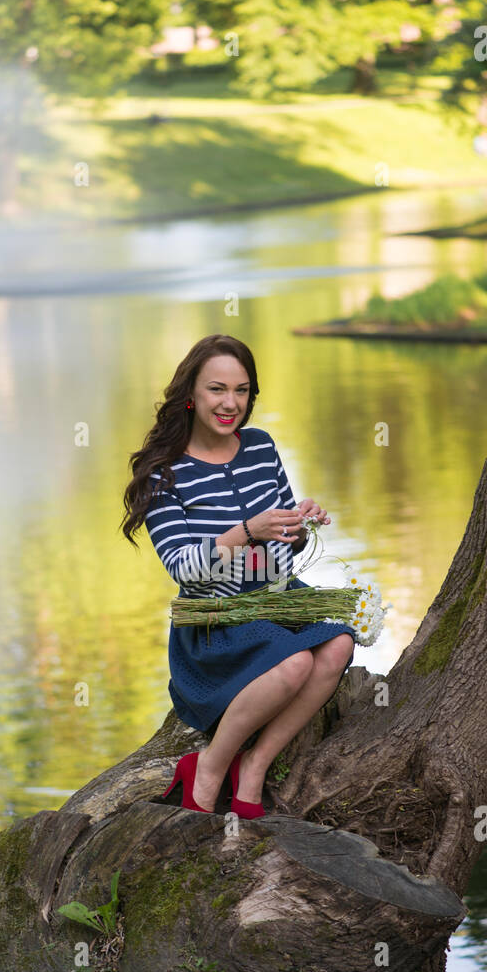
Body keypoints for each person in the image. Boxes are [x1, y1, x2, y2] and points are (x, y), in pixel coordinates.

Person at [121, 334, 356, 818]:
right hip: (214, 620)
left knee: (338, 645)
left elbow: (282, 555)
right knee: (294, 665)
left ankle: (254, 768)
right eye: (217, 389)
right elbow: (182, 568)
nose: (231, 404)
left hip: (274, 599)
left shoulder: (261, 447)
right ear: (192, 394)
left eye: (242, 390)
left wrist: (297, 526)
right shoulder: (163, 473)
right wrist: (248, 530)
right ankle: (208, 767)